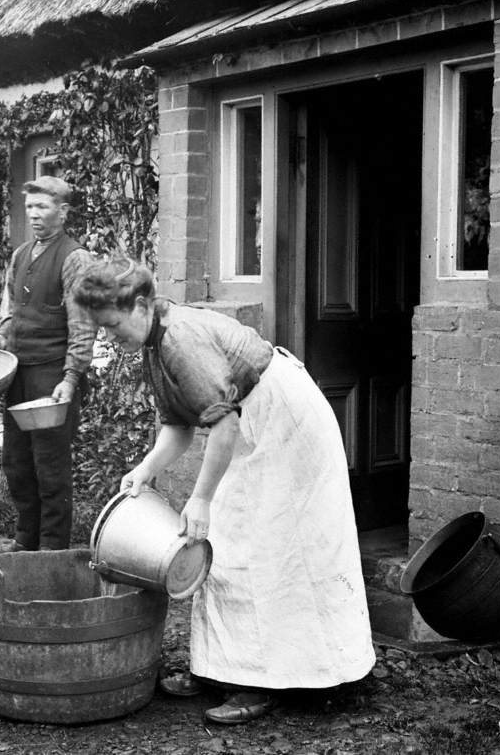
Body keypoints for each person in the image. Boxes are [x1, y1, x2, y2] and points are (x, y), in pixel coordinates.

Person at [72, 258, 375, 725]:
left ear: (140, 305)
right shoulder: (155, 341)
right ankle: (220, 668)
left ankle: (264, 681)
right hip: (251, 423)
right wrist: (145, 470)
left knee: (264, 546)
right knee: (226, 544)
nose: (110, 338)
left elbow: (224, 424)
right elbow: (178, 424)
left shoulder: (179, 340)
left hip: (283, 424)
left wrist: (202, 498)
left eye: (112, 326)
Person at [0, 176, 96, 552]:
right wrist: (2, 335)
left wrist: (71, 376)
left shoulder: (75, 258)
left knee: (50, 468)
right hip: (19, 372)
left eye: (42, 207)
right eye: (29, 207)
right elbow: (13, 308)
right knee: (17, 464)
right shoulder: (20, 255)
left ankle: (52, 550)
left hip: (53, 375)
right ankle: (25, 541)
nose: (33, 214)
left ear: (62, 212)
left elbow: (83, 324)